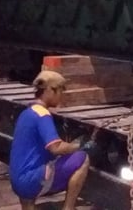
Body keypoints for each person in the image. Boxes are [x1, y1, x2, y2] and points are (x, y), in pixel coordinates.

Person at [9, 70, 93, 210]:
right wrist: (80, 145)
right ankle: (68, 208)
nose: (61, 97)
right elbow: (56, 148)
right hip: (30, 181)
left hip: (16, 181)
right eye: (60, 91)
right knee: (82, 158)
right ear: (50, 90)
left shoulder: (27, 112)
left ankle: (28, 206)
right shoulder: (43, 115)